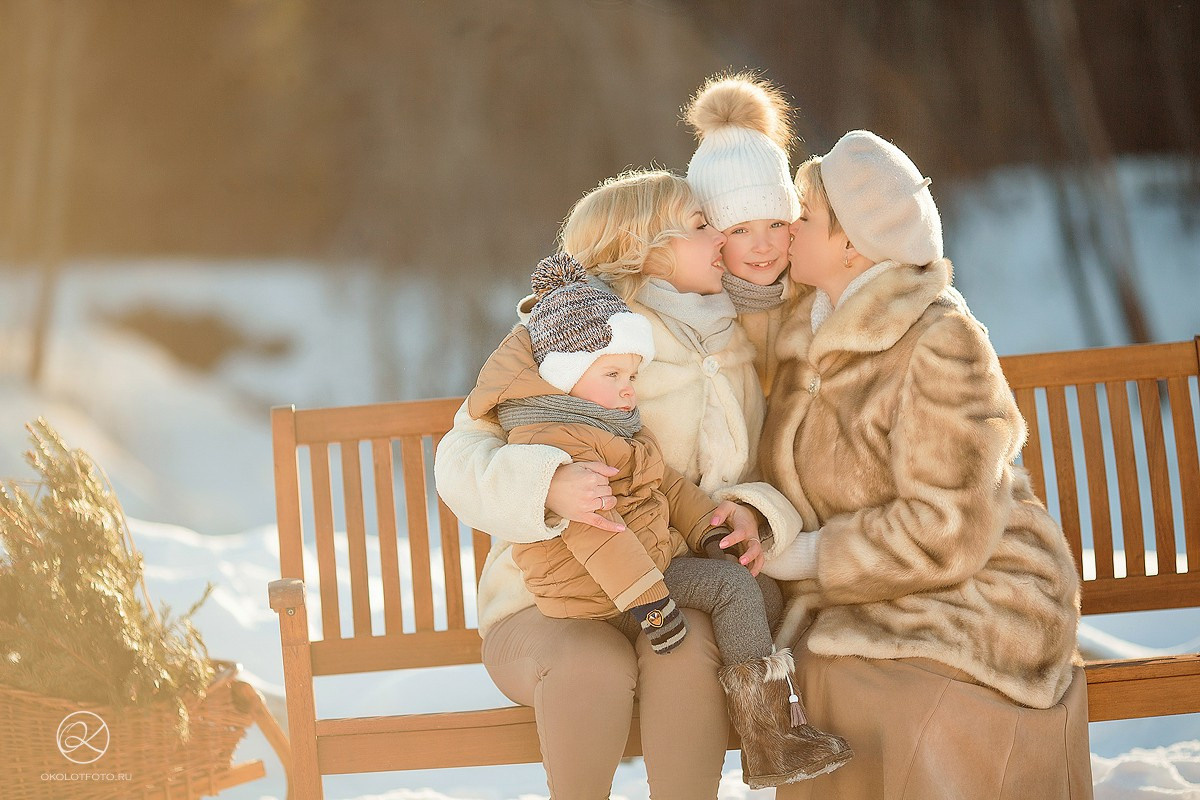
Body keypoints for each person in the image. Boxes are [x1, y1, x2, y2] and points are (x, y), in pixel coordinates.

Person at [435, 168, 805, 799]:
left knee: (687, 653)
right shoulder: (571, 334)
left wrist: (751, 508)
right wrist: (546, 484)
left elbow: (778, 461)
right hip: (549, 600)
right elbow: (458, 457)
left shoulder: (736, 335)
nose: (719, 235)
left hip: (670, 588)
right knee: (593, 666)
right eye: (698, 224)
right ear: (644, 249)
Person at [760, 129, 1093, 799]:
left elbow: (949, 523)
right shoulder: (808, 333)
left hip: (984, 587)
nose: (789, 227)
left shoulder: (939, 338)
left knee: (853, 677)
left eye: (806, 215)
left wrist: (808, 556)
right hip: (879, 587)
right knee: (820, 666)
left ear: (851, 243)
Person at [683, 72, 809, 395]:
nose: (763, 246)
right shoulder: (693, 313)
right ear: (713, 235)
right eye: (740, 230)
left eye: (776, 224)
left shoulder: (812, 301)